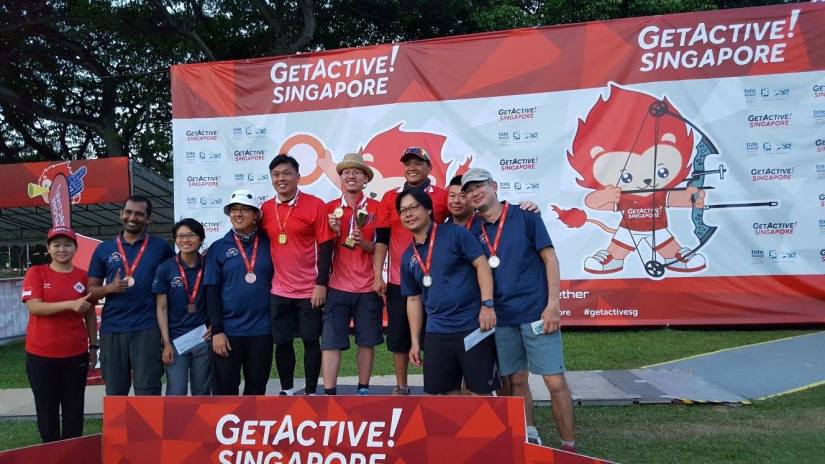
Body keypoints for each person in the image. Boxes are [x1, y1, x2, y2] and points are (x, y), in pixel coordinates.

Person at [463, 168, 576, 451]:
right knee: (516, 379)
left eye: (479, 186)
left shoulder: (526, 216)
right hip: (501, 318)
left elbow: (550, 259)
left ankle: (569, 444)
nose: (475, 193)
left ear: (494, 186)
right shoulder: (472, 230)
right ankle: (529, 434)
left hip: (537, 313)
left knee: (554, 381)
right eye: (469, 190)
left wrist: (553, 305)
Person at [397, 188, 499, 396]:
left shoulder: (455, 234)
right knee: (444, 398)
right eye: (403, 210)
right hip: (436, 332)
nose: (408, 214)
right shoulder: (408, 256)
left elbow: (482, 265)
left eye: (413, 207)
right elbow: (413, 299)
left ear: (428, 209)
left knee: (481, 394)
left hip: (472, 326)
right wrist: (415, 342)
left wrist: (487, 305)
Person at [374, 147, 449, 395]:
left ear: (429, 167)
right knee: (399, 337)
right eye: (408, 164)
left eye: (418, 163)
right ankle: (402, 387)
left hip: (435, 280)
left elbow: (463, 219)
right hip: (400, 280)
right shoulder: (390, 197)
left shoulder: (442, 195)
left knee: (434, 336)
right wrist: (378, 274)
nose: (412, 168)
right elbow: (382, 239)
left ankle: (435, 388)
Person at [260, 154, 335, 396]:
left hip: (309, 289)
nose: (281, 178)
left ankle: (311, 392)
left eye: (286, 173)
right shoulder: (265, 209)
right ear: (272, 179)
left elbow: (326, 246)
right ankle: (287, 390)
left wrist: (321, 284)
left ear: (298, 177)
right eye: (276, 174)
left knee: (311, 341)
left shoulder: (315, 205)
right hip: (279, 289)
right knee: (282, 342)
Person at [88, 196, 174, 396]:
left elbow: (174, 281)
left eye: (139, 214)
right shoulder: (104, 249)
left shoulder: (161, 247)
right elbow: (90, 292)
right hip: (113, 329)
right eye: (128, 212)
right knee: (116, 392)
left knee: (148, 391)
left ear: (148, 219)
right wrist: (110, 288)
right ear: (121, 214)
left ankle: (148, 419)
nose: (132, 217)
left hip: (147, 329)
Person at [21, 226, 98, 442]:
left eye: (67, 245)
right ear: (49, 248)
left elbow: (90, 314)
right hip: (41, 355)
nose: (62, 249)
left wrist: (93, 347)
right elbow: (35, 307)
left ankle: (72, 451)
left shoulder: (83, 277)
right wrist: (70, 304)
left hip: (75, 354)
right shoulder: (36, 273)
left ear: (75, 248)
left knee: (74, 408)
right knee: (47, 410)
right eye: (56, 245)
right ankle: (51, 451)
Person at [322, 153, 383, 396]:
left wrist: (363, 243)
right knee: (330, 342)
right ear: (340, 178)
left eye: (357, 172)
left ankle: (363, 389)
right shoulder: (329, 209)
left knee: (366, 341)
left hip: (367, 287)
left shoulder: (376, 208)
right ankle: (329, 393)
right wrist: (333, 232)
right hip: (337, 286)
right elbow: (321, 249)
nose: (351, 175)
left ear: (365, 178)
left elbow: (381, 247)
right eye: (346, 172)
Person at [204, 189, 274, 395]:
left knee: (256, 390)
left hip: (262, 330)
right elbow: (211, 291)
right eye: (234, 210)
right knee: (225, 391)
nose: (238, 214)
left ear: (256, 215)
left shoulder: (269, 244)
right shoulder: (218, 248)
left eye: (244, 209)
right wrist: (217, 330)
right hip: (228, 332)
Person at [153, 218, 213, 396]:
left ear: (201, 239)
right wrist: (166, 343)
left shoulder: (210, 265)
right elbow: (161, 308)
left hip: (203, 338)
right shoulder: (165, 268)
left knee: (202, 392)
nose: (185, 240)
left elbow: (219, 299)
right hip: (175, 341)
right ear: (175, 239)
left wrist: (215, 326)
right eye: (180, 236)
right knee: (176, 392)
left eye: (190, 235)